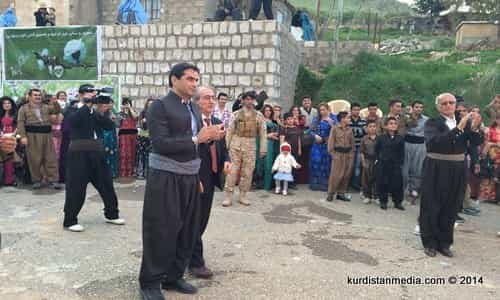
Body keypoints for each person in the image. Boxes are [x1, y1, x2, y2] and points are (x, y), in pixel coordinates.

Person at [139, 63, 224, 300]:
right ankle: (149, 283)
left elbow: (194, 148)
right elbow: (161, 143)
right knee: (161, 229)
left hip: (189, 176)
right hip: (165, 176)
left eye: (196, 80)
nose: (194, 84)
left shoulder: (193, 109)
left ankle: (173, 276)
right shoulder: (160, 106)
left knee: (187, 229)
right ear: (174, 80)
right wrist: (199, 138)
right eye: (189, 79)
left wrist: (197, 172)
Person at [419, 93, 482, 258]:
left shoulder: (463, 123)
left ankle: (444, 243)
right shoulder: (433, 123)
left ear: (455, 104)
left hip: (458, 167)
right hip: (436, 166)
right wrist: (457, 129)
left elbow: (475, 143)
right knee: (432, 204)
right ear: (438, 106)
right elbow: (435, 143)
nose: (448, 106)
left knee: (452, 204)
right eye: (444, 103)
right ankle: (430, 243)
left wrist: (475, 128)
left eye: (451, 103)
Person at [63, 85, 125, 232]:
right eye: (88, 92)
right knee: (76, 187)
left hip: (97, 153)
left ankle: (112, 214)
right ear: (80, 95)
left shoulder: (93, 112)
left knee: (106, 184)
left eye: (93, 92)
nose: (92, 95)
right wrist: (87, 106)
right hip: (78, 154)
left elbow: (109, 126)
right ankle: (70, 220)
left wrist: (104, 111)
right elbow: (72, 123)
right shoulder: (72, 109)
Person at [189, 86, 230, 279]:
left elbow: (223, 145)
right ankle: (196, 262)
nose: (211, 101)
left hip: (211, 177)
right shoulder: (193, 124)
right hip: (197, 177)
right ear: (196, 102)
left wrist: (227, 160)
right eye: (206, 98)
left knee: (202, 220)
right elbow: (188, 153)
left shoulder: (216, 122)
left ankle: (186, 254)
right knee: (194, 220)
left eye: (212, 98)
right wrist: (194, 178)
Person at [224, 91, 267, 206]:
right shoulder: (236, 114)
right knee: (232, 171)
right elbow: (230, 131)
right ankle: (228, 195)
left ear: (254, 101)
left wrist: (263, 148)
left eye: (251, 99)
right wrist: (226, 147)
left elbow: (263, 133)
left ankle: (243, 195)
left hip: (251, 145)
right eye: (246, 99)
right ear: (242, 100)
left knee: (247, 172)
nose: (249, 101)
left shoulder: (259, 115)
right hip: (236, 144)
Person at [17, 88, 61, 190]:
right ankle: (37, 180)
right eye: (35, 95)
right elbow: (20, 123)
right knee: (34, 159)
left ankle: (53, 180)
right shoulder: (23, 109)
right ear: (30, 96)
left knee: (51, 158)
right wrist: (23, 136)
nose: (38, 97)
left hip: (47, 135)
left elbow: (57, 110)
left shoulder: (46, 107)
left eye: (39, 95)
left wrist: (55, 102)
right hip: (32, 135)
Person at [375, 117, 405, 211]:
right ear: (386, 126)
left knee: (397, 183)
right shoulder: (381, 138)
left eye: (395, 124)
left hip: (395, 164)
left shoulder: (400, 138)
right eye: (391, 123)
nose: (393, 125)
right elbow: (377, 150)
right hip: (383, 163)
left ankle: (397, 202)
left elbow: (402, 152)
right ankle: (383, 202)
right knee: (383, 183)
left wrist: (399, 163)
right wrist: (379, 159)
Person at [402, 100, 428, 204]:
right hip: (407, 143)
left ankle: (414, 190)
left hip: (420, 145)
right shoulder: (405, 118)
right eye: (417, 107)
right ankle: (404, 191)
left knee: (417, 169)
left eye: (421, 107)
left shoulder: (426, 120)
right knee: (405, 169)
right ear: (412, 108)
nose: (419, 109)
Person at [327, 111, 355, 202]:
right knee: (336, 175)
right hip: (338, 154)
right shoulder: (335, 129)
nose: (349, 119)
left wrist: (351, 155)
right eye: (348, 118)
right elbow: (331, 142)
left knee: (346, 175)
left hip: (347, 155)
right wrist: (333, 154)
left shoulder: (349, 130)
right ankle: (331, 193)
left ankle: (341, 193)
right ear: (342, 119)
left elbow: (352, 143)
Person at [309, 103, 336, 191]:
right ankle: (315, 184)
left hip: (327, 144)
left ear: (328, 109)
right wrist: (315, 136)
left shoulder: (333, 117)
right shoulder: (316, 118)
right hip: (317, 144)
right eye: (320, 110)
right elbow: (310, 131)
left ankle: (325, 185)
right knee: (316, 162)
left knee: (326, 164)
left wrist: (331, 123)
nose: (322, 112)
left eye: (324, 109)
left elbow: (338, 129)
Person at [254, 104, 279, 190]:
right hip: (262, 143)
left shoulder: (273, 121)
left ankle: (268, 185)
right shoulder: (260, 120)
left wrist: (275, 134)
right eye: (266, 110)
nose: (268, 112)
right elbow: (256, 133)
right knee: (262, 164)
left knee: (270, 164)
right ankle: (260, 184)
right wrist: (269, 135)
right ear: (263, 111)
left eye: (270, 110)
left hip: (272, 144)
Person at [280, 112, 302, 189]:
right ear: (285, 120)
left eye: (291, 119)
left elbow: (299, 139)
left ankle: (292, 183)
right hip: (287, 152)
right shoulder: (284, 129)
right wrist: (282, 152)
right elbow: (282, 141)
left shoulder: (297, 128)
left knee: (294, 167)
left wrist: (299, 149)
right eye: (288, 119)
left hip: (295, 151)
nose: (290, 120)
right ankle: (284, 183)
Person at [118, 98, 138, 182]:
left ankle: (130, 172)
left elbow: (135, 117)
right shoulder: (121, 113)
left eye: (128, 103)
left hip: (132, 135)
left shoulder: (133, 112)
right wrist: (124, 111)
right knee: (123, 153)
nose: (126, 105)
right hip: (123, 136)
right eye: (125, 103)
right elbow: (119, 122)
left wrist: (130, 109)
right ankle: (123, 172)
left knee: (131, 153)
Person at [136, 98, 155, 179]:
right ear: (146, 104)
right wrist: (143, 121)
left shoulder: (156, 113)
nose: (150, 105)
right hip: (143, 136)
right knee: (141, 155)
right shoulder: (143, 112)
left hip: (152, 137)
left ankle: (148, 174)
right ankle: (140, 173)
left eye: (152, 104)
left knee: (150, 155)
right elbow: (140, 124)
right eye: (149, 103)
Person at [349, 102, 367, 191]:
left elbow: (366, 134)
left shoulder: (363, 122)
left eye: (358, 110)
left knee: (357, 166)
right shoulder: (347, 121)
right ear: (351, 110)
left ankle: (355, 184)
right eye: (354, 110)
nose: (356, 111)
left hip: (360, 147)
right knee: (349, 166)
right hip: (349, 148)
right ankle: (347, 184)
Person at [0, 96, 17, 186]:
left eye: (9, 103)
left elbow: (18, 126)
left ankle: (9, 180)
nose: (7, 105)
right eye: (5, 103)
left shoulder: (16, 115)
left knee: (9, 161)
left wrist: (14, 134)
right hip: (1, 138)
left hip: (12, 139)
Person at [360, 120, 378, 204]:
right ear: (367, 128)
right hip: (367, 160)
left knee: (376, 178)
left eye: (374, 126)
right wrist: (363, 162)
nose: (372, 128)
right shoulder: (364, 138)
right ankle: (367, 196)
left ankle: (376, 196)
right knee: (366, 179)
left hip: (377, 160)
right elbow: (362, 151)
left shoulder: (380, 138)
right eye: (370, 126)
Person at [102, 99, 119, 178]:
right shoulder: (101, 113)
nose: (111, 105)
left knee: (113, 151)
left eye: (112, 103)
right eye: (109, 103)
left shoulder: (114, 112)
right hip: (105, 133)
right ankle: (104, 173)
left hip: (112, 133)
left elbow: (118, 123)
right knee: (105, 151)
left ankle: (113, 172)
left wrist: (115, 119)